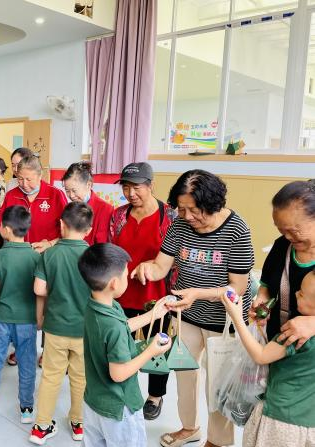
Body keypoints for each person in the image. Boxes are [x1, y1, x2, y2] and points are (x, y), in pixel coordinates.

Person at [131, 169, 255, 447]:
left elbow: (238, 287)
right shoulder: (179, 225)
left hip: (224, 322)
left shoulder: (237, 230)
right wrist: (148, 269)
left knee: (218, 385)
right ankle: (189, 428)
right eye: (181, 209)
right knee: (184, 374)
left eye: (194, 210)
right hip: (186, 315)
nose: (187, 216)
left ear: (214, 204)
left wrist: (198, 294)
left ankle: (218, 440)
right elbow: (161, 266)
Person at [78, 244, 172, 447]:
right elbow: (118, 374)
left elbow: (122, 326)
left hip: (93, 402)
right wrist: (151, 351)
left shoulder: (96, 306)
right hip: (119, 409)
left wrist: (153, 314)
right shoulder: (113, 326)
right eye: (126, 275)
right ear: (114, 283)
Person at [109, 162, 177, 420]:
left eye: (136, 187)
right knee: (121, 345)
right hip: (122, 294)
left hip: (157, 296)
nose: (130, 193)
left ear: (151, 185)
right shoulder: (118, 216)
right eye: (126, 187)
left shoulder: (170, 217)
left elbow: (177, 257)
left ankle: (155, 395)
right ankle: (123, 388)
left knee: (158, 345)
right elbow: (111, 250)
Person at [222, 272, 315, 447]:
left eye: (302, 294)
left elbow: (261, 356)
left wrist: (236, 317)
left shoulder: (296, 332)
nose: (296, 293)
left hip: (281, 417)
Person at [29, 202, 93, 445]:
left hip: (55, 328)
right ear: (88, 230)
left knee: (51, 377)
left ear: (61, 225)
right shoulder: (93, 256)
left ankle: (41, 427)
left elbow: (39, 289)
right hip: (85, 330)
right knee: (81, 378)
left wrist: (43, 312)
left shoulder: (50, 254)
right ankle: (78, 423)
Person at [0, 206, 40, 425]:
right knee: (27, 365)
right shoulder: (35, 256)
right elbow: (40, 291)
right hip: (27, 321)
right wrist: (39, 318)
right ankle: (27, 408)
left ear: (5, 229)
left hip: (1, 320)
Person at [252, 180, 315, 348]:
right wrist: (262, 300)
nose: (287, 237)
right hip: (278, 344)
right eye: (281, 230)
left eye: (293, 231)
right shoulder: (282, 246)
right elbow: (266, 286)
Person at [0, 155, 67, 253]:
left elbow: (70, 228)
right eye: (20, 178)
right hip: (18, 253)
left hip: (48, 253)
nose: (24, 184)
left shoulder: (55, 195)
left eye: (29, 179)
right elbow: (2, 214)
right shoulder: (12, 195)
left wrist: (50, 243)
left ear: (40, 175)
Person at [62, 161, 113, 244]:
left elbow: (102, 245)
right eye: (67, 191)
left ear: (88, 185)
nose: (71, 195)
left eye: (74, 190)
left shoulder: (105, 209)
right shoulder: (69, 208)